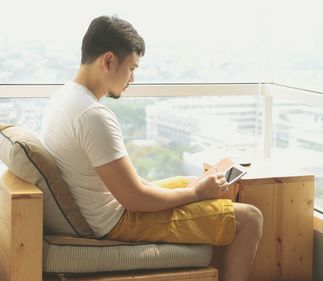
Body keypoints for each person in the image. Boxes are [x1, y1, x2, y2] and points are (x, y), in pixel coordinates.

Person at [40, 15, 263, 281]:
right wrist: (194, 193)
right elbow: (135, 200)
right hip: (114, 220)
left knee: (201, 183)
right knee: (250, 218)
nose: (133, 78)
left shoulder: (64, 98)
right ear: (108, 60)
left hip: (105, 207)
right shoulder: (92, 116)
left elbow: (125, 186)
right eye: (132, 68)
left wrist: (195, 188)